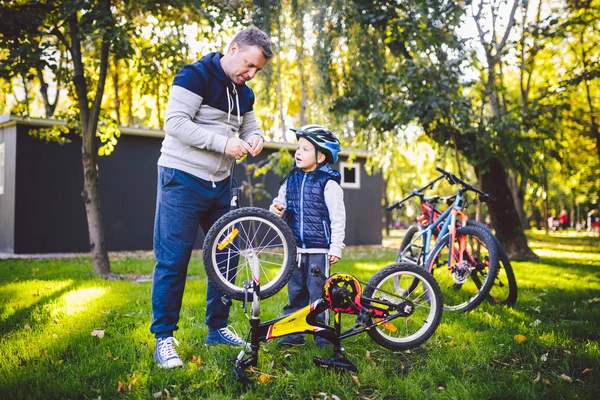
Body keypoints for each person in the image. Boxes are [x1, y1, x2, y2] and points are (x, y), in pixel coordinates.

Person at [151, 26, 274, 369]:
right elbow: (175, 123)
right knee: (173, 259)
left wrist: (256, 137)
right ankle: (164, 338)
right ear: (233, 49)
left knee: (227, 259)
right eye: (248, 65)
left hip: (220, 185)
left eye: (256, 71)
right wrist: (223, 143)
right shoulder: (195, 75)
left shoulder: (244, 92)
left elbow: (249, 126)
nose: (250, 74)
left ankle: (217, 329)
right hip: (181, 178)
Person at [269, 125, 346, 349]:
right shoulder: (290, 180)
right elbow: (279, 203)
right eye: (298, 148)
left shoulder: (328, 183)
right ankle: (293, 333)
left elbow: (338, 217)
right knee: (295, 293)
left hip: (319, 250)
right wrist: (277, 208)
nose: (298, 153)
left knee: (319, 294)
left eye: (305, 148)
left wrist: (336, 246)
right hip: (295, 249)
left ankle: (323, 336)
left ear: (321, 156)